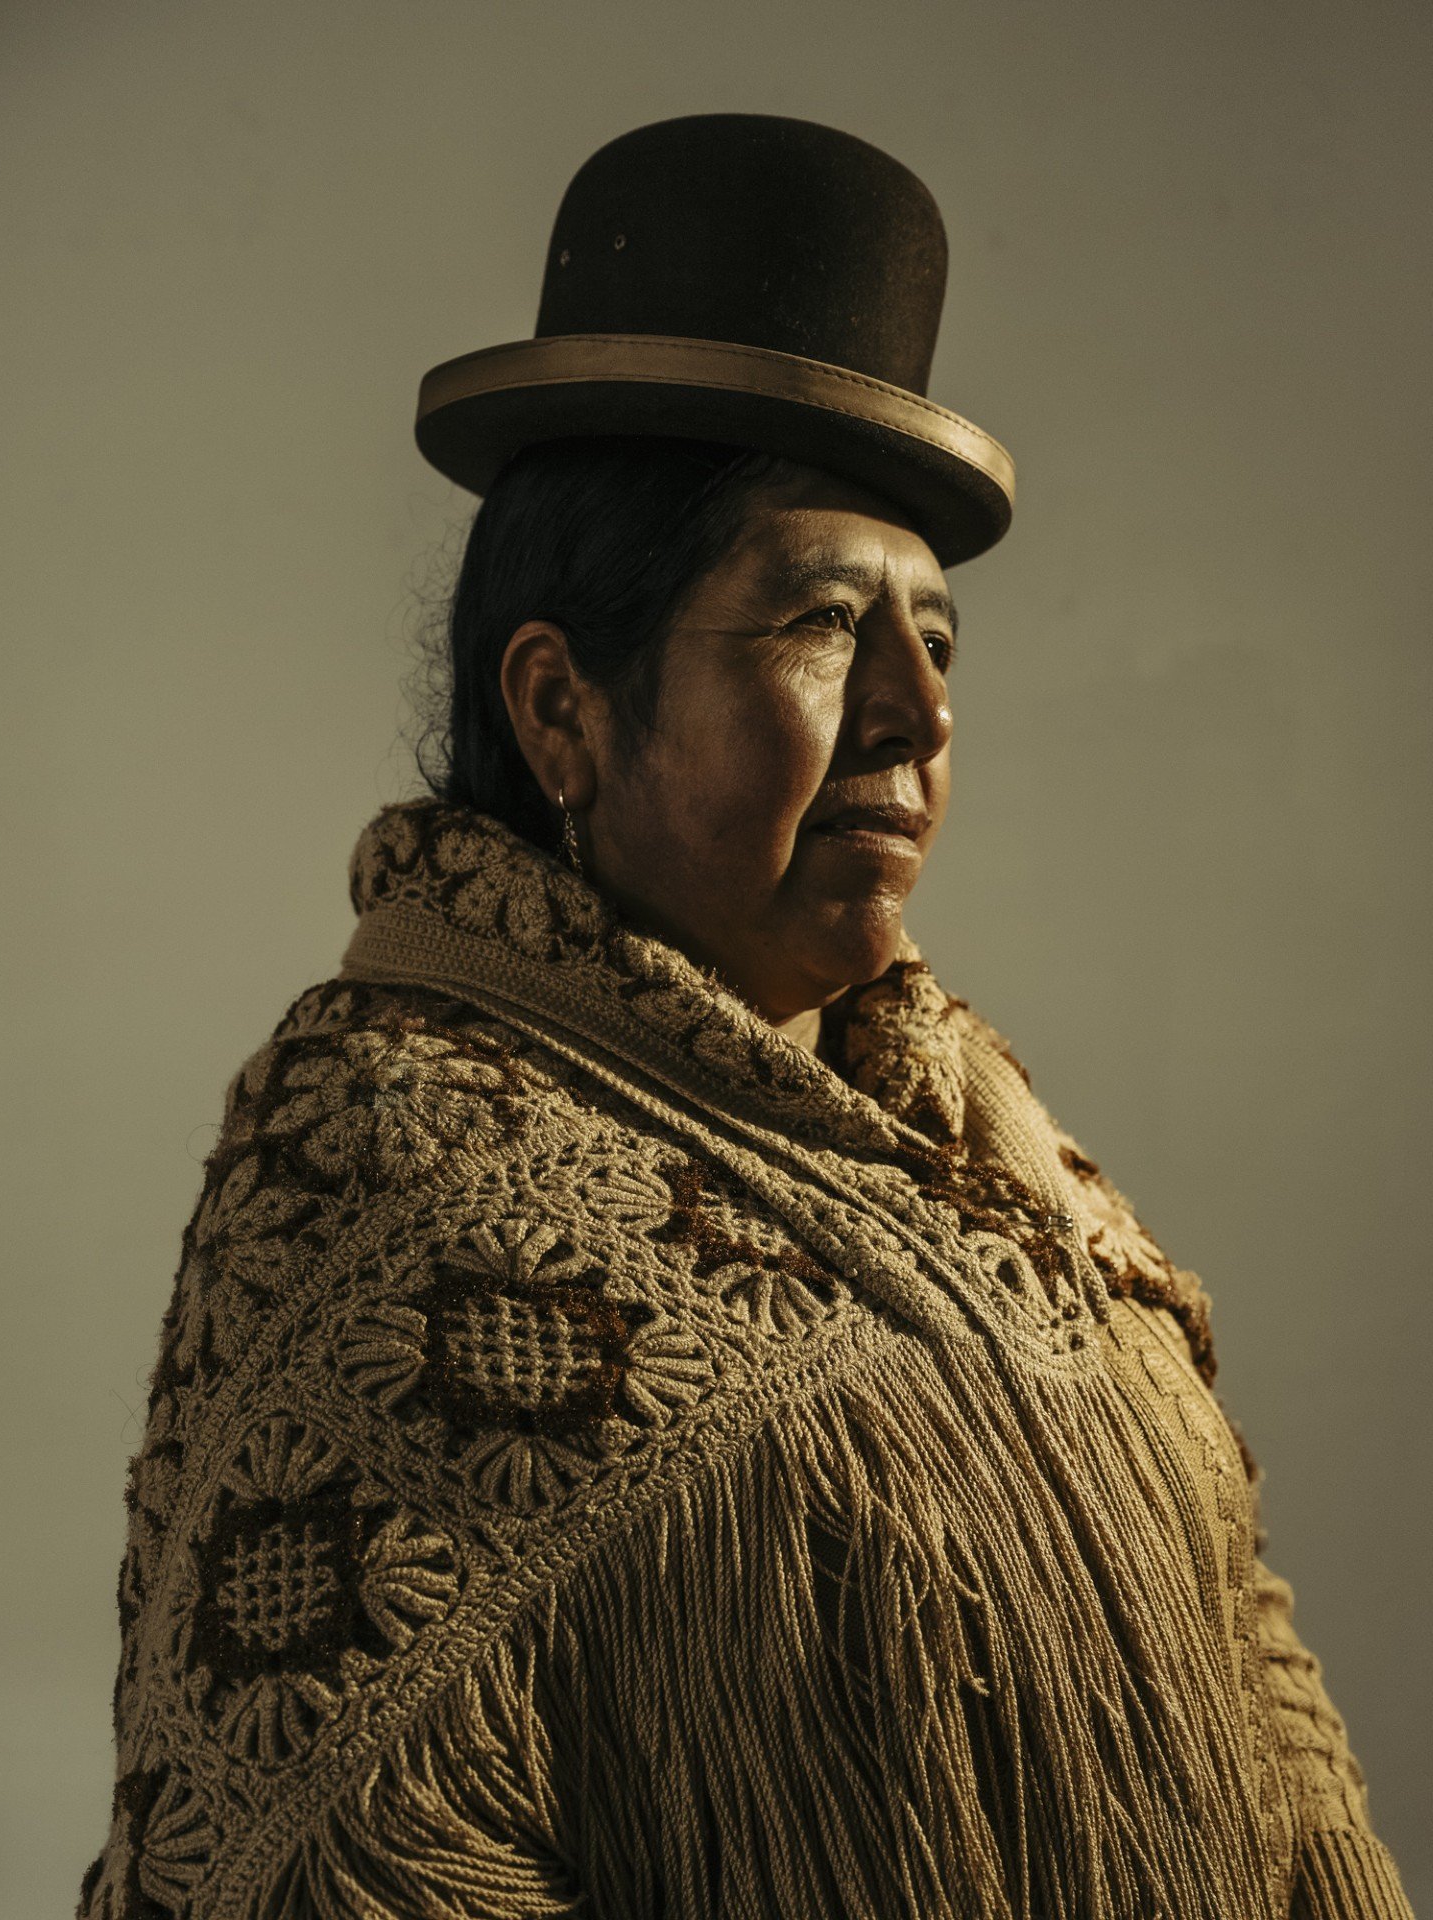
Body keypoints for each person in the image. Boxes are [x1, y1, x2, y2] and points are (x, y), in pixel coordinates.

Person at [78, 114, 1412, 1920]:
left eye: (940, 640)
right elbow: (320, 1856)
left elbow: (1242, 1647)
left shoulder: (979, 1133)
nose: (917, 716)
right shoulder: (388, 1172)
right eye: (818, 623)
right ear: (564, 708)